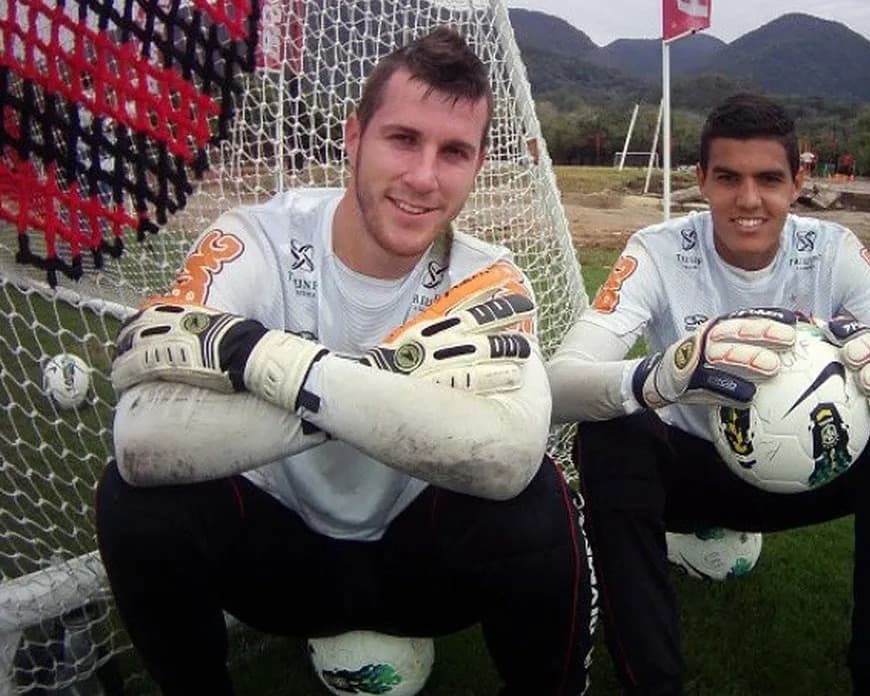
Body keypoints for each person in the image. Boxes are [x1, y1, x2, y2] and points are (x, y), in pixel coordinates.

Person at [97, 27, 594, 696]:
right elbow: (141, 440)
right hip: (282, 566)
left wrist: (264, 360)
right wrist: (392, 383)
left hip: (421, 569)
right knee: (136, 504)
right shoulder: (253, 243)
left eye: (453, 152)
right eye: (403, 139)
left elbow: (508, 455)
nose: (423, 176)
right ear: (354, 136)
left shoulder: (490, 280)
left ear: (477, 166)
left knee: (539, 504)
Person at [547, 92, 870, 695]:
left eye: (769, 179)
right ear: (701, 181)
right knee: (611, 435)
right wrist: (660, 374)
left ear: (798, 183)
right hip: (688, 474)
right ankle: (652, 683)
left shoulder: (833, 251)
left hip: (811, 468)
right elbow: (558, 385)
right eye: (728, 178)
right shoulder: (658, 252)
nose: (748, 200)